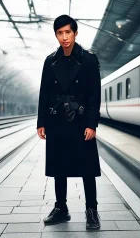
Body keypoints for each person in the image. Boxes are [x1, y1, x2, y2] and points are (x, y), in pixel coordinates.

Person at [37, 14, 101, 230]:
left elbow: (94, 95)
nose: (64, 37)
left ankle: (91, 210)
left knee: (87, 167)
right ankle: (61, 208)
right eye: (60, 33)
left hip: (81, 120)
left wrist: (92, 124)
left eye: (68, 32)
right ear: (55, 35)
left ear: (75, 33)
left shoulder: (89, 59)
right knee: (59, 166)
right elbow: (44, 92)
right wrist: (41, 121)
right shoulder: (50, 60)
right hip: (56, 120)